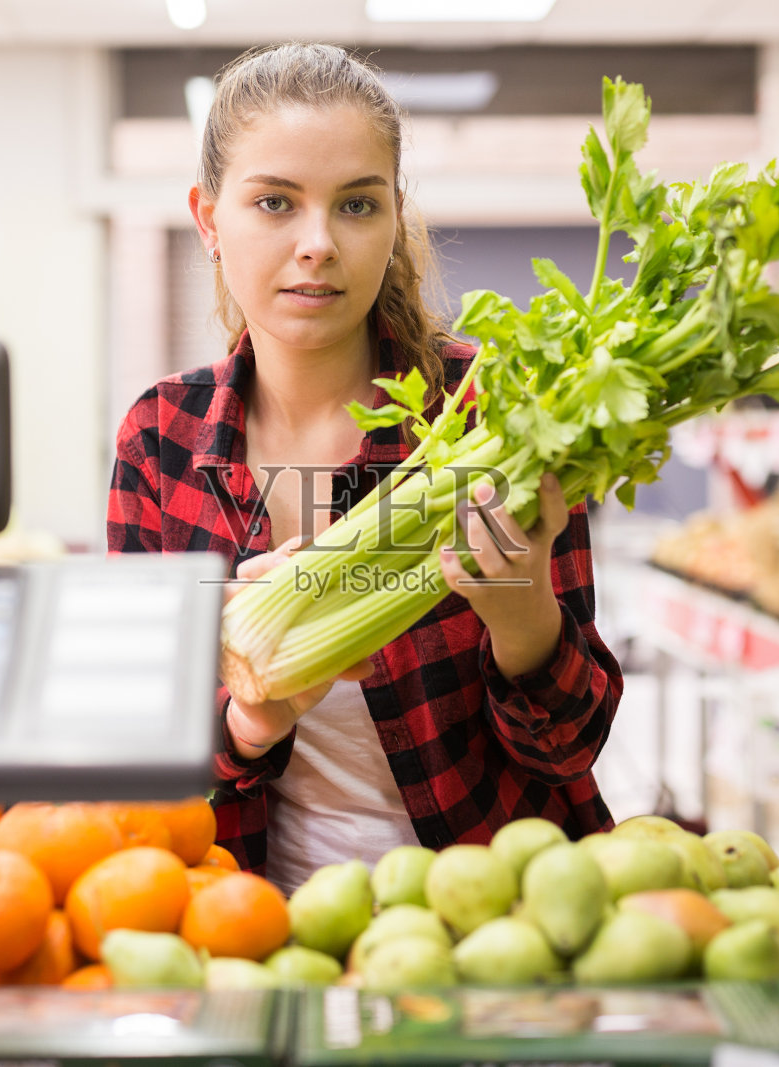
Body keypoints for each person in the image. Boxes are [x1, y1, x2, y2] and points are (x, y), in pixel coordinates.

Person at [107, 42, 623, 892]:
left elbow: (570, 746)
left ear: (393, 217)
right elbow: (141, 757)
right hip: (249, 913)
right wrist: (249, 722)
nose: (317, 243)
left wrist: (526, 623)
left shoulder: (493, 410)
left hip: (499, 914)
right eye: (275, 202)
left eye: (355, 205)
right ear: (208, 219)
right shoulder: (160, 438)